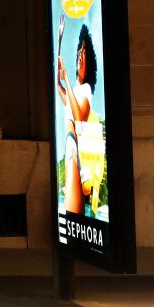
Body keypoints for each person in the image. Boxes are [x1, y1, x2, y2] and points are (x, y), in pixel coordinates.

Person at [55, 22, 98, 215]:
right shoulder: (77, 90)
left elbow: (79, 116)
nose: (80, 56)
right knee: (70, 208)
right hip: (70, 146)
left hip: (75, 148)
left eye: (84, 54)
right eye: (79, 52)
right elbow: (58, 86)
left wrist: (66, 80)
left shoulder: (87, 89)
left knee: (73, 209)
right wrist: (59, 39)